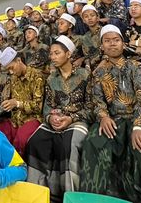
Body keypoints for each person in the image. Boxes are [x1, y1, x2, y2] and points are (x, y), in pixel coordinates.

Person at [79, 25, 141, 203]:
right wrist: (103, 116)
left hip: (140, 119)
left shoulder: (137, 67)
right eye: (107, 41)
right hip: (113, 119)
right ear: (102, 45)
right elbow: (97, 100)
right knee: (93, 142)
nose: (112, 44)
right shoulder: (98, 72)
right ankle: (99, 199)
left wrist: (138, 126)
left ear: (122, 43)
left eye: (116, 40)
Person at [25, 36, 92, 203]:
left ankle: (71, 195)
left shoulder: (85, 75)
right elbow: (47, 106)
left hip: (77, 119)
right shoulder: (51, 78)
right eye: (51, 53)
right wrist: (51, 117)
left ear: (68, 54)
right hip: (55, 120)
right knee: (35, 141)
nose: (52, 57)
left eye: (57, 53)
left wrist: (70, 119)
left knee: (69, 143)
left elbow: (91, 107)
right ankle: (37, 194)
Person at [0, 48, 44, 157]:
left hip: (32, 118)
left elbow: (38, 106)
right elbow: (10, 99)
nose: (11, 72)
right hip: (15, 120)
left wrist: (17, 103)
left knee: (20, 140)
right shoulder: (13, 78)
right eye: (8, 70)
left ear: (19, 60)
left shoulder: (37, 76)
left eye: (11, 68)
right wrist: (7, 103)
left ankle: (18, 168)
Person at [79, 4, 103, 69]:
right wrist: (87, 66)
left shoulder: (105, 31)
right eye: (86, 16)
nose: (89, 18)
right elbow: (87, 56)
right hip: (94, 68)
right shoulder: (85, 38)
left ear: (98, 17)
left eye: (92, 15)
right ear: (83, 20)